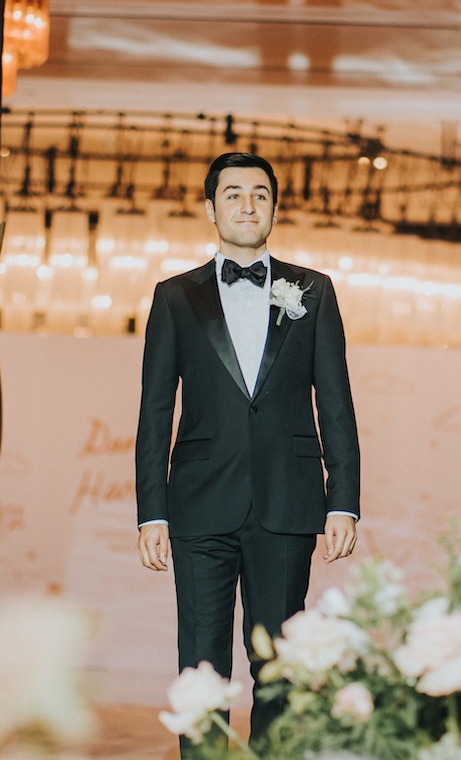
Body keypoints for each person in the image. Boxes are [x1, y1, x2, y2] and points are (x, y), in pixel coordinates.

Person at [134, 152, 361, 747]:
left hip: (288, 503)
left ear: (274, 209)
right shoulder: (174, 296)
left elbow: (335, 402)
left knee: (279, 667)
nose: (247, 204)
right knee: (201, 671)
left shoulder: (313, 291)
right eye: (233, 194)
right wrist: (152, 512)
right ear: (211, 209)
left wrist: (343, 500)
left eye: (260, 194)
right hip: (198, 505)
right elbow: (155, 411)